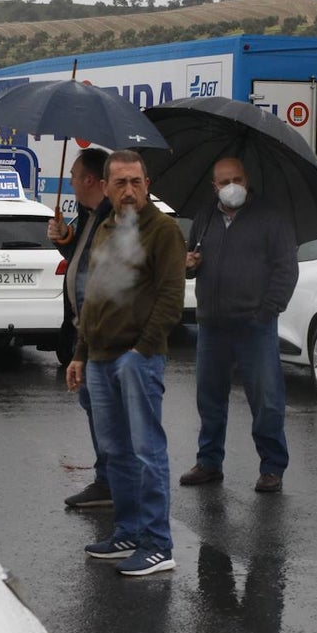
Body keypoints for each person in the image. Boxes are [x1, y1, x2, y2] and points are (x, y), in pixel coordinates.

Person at [66, 150, 186, 576]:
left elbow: (172, 299)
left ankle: (157, 543)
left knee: (147, 452)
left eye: (136, 182)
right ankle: (129, 533)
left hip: (138, 359)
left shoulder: (163, 231)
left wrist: (142, 351)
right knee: (116, 453)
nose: (129, 191)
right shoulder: (106, 228)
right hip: (99, 359)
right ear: (108, 187)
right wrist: (81, 354)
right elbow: (94, 295)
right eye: (120, 183)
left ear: (147, 183)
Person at [179, 157, 298, 493]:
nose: (232, 187)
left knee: (267, 401)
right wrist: (189, 264)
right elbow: (191, 260)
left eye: (238, 179)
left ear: (247, 180)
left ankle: (272, 466)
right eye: (224, 181)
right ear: (213, 186)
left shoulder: (271, 218)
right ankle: (208, 462)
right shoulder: (205, 217)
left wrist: (267, 312)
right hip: (212, 324)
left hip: (254, 326)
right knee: (209, 399)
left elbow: (286, 269)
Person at [48, 148, 114, 509]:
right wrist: (64, 238)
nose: (70, 180)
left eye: (73, 174)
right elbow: (79, 260)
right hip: (82, 329)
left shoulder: (110, 218)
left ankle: (111, 483)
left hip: (101, 333)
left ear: (90, 179)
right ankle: (106, 478)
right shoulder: (90, 215)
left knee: (105, 409)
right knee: (93, 405)